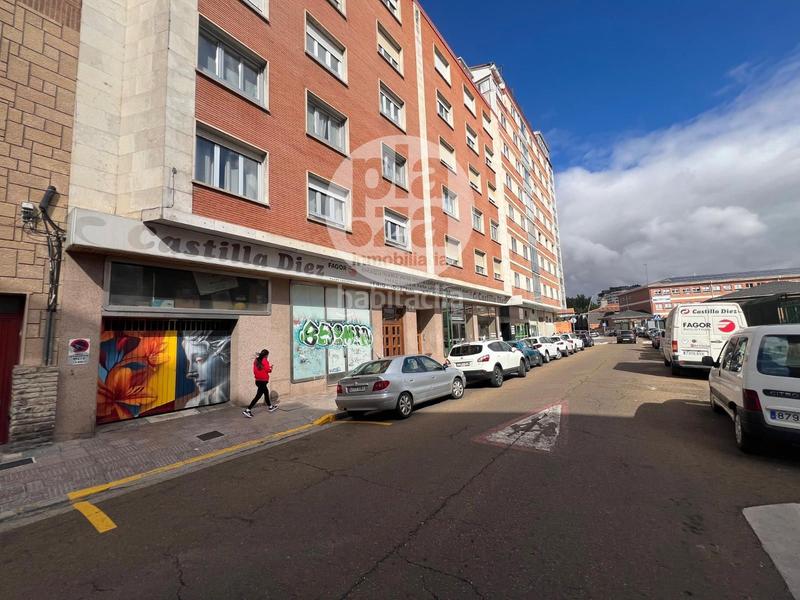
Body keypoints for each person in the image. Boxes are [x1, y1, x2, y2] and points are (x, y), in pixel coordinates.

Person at [243, 349, 276, 418]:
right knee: (258, 396)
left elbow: (257, 370)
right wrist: (271, 368)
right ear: (266, 355)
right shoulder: (265, 360)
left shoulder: (256, 360)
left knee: (266, 393)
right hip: (263, 381)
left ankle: (270, 407)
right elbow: (268, 370)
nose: (267, 356)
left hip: (258, 381)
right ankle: (248, 410)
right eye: (267, 355)